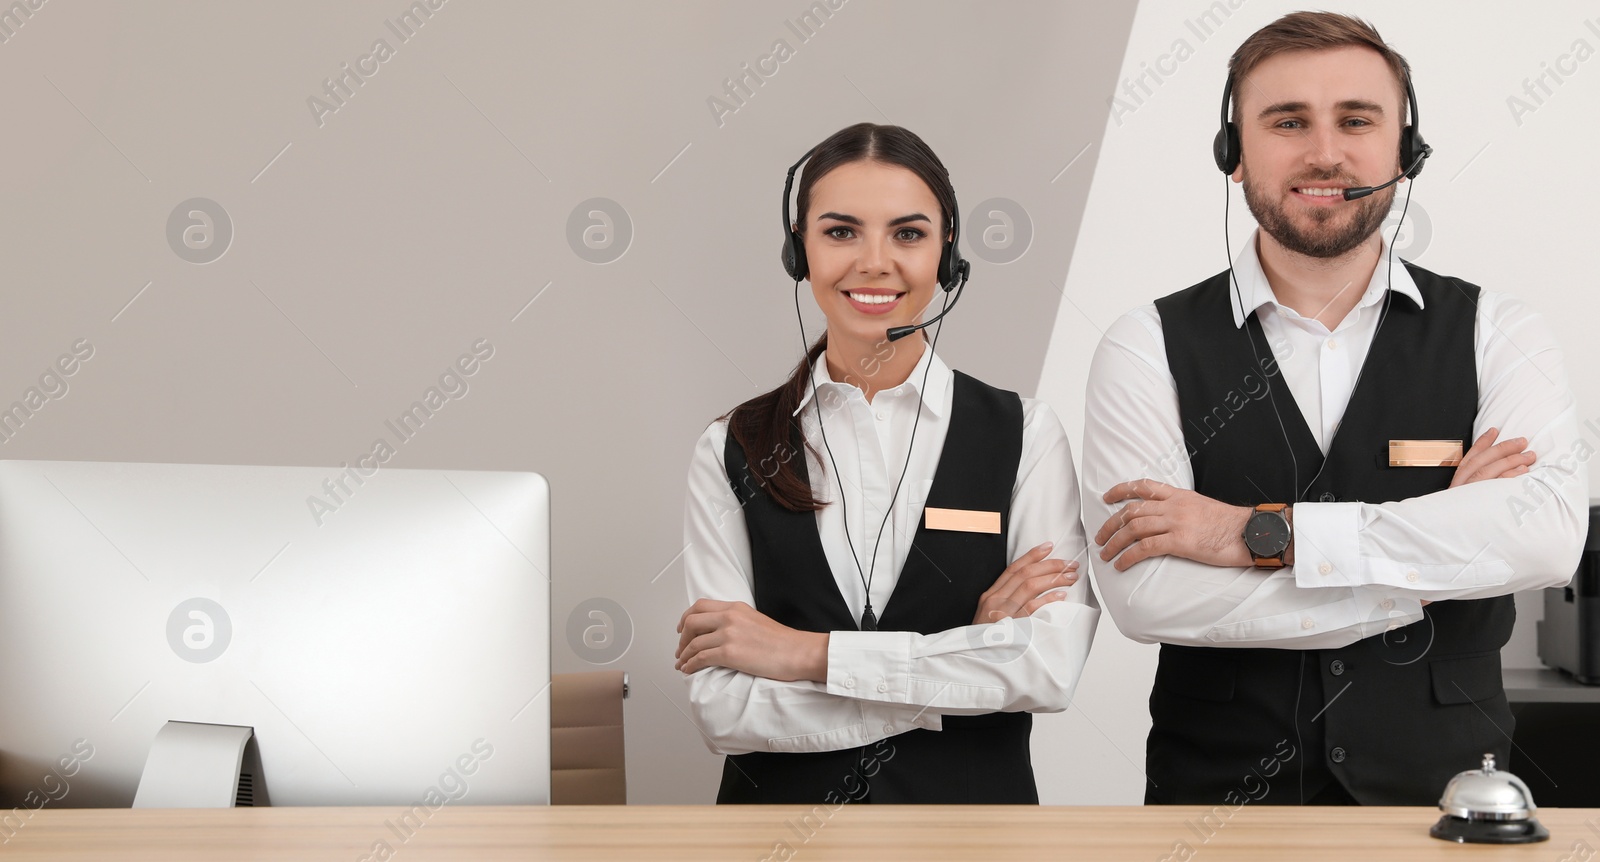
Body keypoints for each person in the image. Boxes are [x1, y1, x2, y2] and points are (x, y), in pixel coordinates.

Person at [1081, 12, 1587, 806]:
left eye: (1356, 120)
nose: (1324, 153)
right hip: (1218, 817)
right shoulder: (1143, 345)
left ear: (1404, 149)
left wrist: (1250, 534)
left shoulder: (1501, 331)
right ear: (1234, 152)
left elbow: (1548, 541)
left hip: (1445, 813)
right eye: (1287, 122)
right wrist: (1441, 558)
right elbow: (1147, 599)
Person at [676, 122, 1099, 804]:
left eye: (908, 234)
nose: (874, 262)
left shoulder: (1027, 433)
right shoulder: (730, 446)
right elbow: (725, 711)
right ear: (799, 251)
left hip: (972, 842)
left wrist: (803, 655)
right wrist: (962, 660)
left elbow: (1047, 669)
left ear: (947, 254)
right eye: (841, 232)